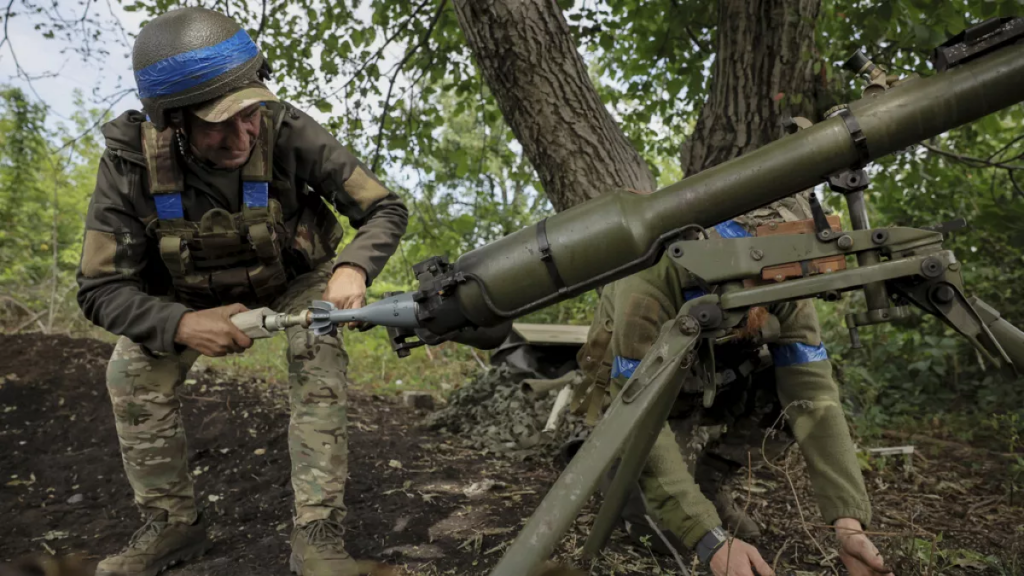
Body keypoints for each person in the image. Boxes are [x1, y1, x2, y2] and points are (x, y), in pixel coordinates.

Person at [75, 7, 408, 576]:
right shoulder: (130, 166)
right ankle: (173, 524)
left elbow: (384, 207)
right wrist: (179, 325)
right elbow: (100, 287)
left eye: (250, 113)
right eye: (218, 123)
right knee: (129, 372)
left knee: (318, 343)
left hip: (294, 281)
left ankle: (318, 532)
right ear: (174, 120)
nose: (243, 133)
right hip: (186, 296)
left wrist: (352, 268)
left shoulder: (286, 128)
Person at [571, 194, 895, 576]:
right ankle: (614, 470)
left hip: (716, 381)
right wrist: (709, 538)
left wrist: (847, 522)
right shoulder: (648, 283)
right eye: (758, 275)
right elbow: (640, 416)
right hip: (648, 395)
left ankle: (708, 479)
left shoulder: (785, 278)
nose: (775, 287)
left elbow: (812, 395)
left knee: (793, 395)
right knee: (666, 536)